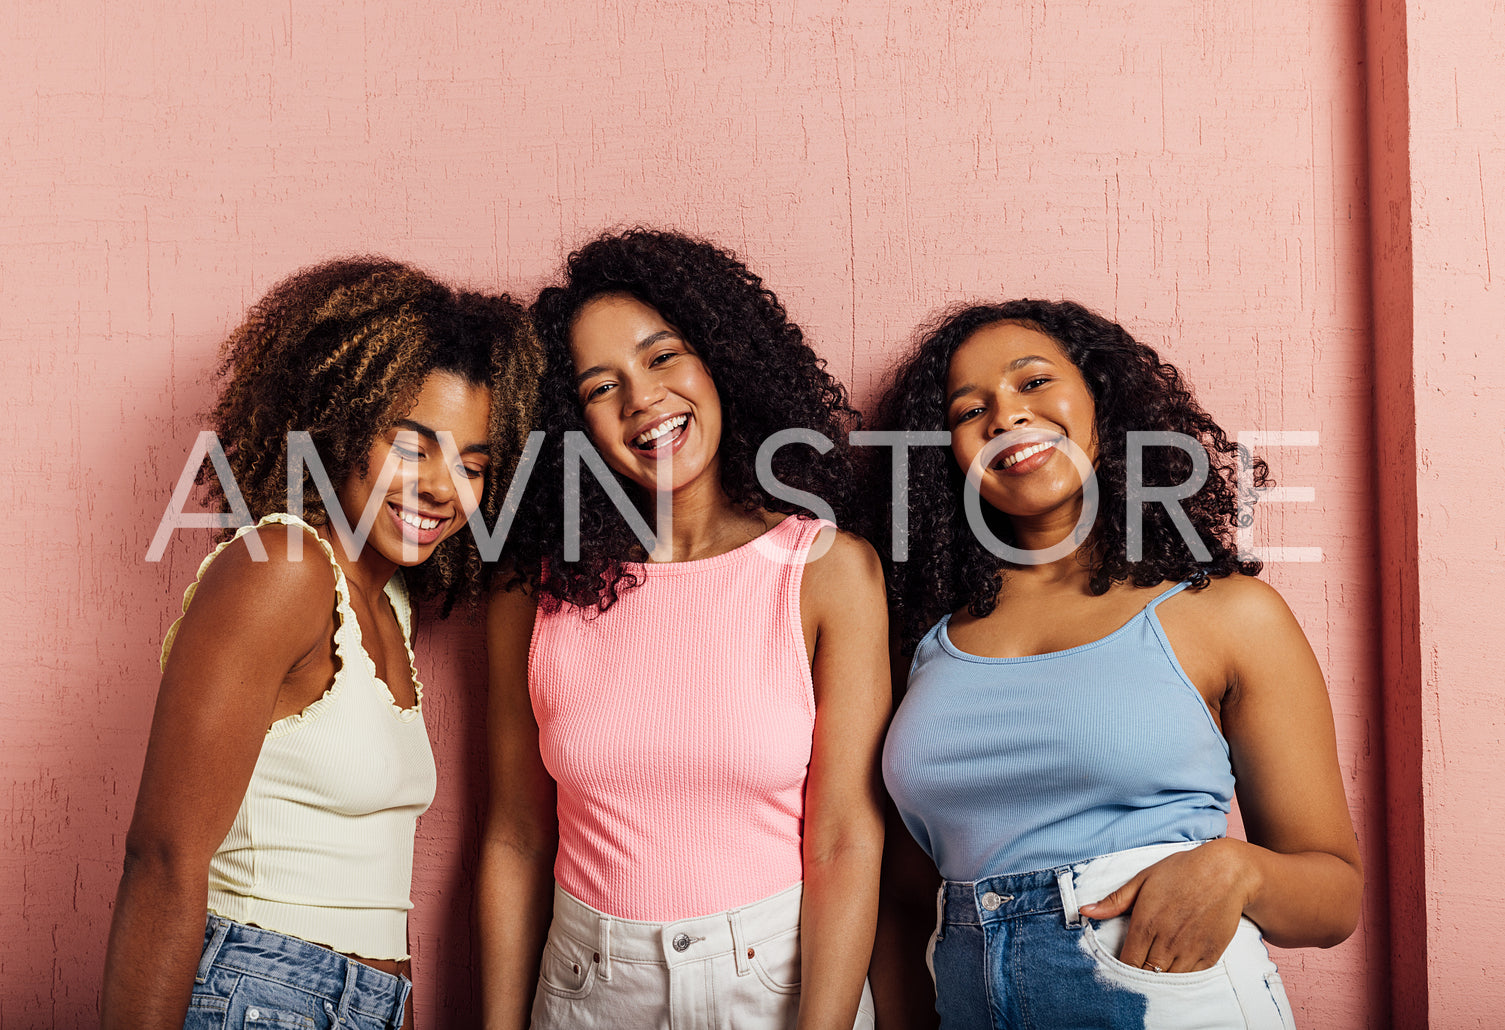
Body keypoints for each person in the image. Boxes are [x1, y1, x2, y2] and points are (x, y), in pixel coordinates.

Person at [873, 300, 1361, 1029]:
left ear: (1103, 398)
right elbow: (908, 902)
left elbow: (1334, 899)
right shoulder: (919, 640)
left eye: (1032, 382)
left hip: (1166, 999)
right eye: (968, 409)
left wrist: (1236, 868)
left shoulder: (1225, 614)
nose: (1003, 415)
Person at [101, 258, 542, 1030]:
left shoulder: (390, 603)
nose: (444, 487)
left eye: (473, 465)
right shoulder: (281, 570)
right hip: (257, 994)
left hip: (369, 1006)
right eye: (413, 447)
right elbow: (163, 859)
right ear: (340, 426)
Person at [479, 228, 889, 1030]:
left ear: (721, 359)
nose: (642, 401)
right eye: (602, 387)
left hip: (775, 984)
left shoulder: (826, 570)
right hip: (586, 988)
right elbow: (513, 840)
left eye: (662, 357)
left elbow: (843, 838)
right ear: (572, 425)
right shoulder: (529, 595)